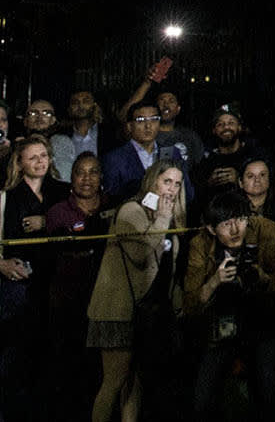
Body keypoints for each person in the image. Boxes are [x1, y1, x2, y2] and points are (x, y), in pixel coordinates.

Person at [87, 160, 185, 422]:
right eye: (166, 181)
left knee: (134, 382)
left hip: (146, 314)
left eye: (177, 183)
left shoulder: (168, 218)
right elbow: (140, 254)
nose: (172, 189)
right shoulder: (132, 210)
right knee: (115, 382)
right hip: (117, 312)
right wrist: (163, 218)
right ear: (152, 182)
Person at [182, 186, 275, 419]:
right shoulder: (200, 244)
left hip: (262, 317)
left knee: (269, 391)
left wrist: (262, 278)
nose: (235, 230)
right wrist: (214, 281)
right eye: (226, 224)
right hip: (221, 321)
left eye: (241, 220)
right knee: (202, 400)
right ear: (211, 228)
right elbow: (190, 304)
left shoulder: (264, 229)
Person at [42, 152, 111, 418]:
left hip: (106, 299)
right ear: (71, 178)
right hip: (67, 301)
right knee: (68, 366)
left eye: (93, 172)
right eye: (81, 172)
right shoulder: (58, 212)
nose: (87, 179)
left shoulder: (112, 207)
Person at [0, 136, 58, 404]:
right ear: (19, 163)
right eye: (33, 157)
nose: (40, 161)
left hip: (54, 281)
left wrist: (48, 220)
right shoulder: (5, 197)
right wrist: (3, 265)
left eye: (43, 155)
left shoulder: (61, 192)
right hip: (17, 286)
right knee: (15, 351)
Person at [99, 103, 167, 200]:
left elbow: (187, 193)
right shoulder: (114, 158)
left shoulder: (171, 152)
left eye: (154, 119)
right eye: (141, 120)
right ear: (129, 126)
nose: (148, 125)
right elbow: (110, 197)